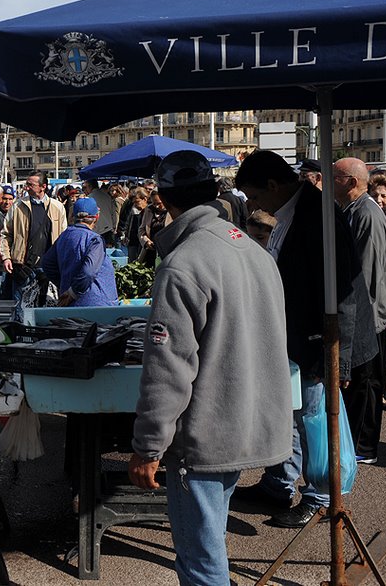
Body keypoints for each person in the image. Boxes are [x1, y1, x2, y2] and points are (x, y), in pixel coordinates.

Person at [128, 151, 292, 585]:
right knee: (211, 543)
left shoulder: (184, 263)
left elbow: (168, 368)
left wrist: (148, 447)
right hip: (249, 423)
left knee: (201, 560)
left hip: (206, 437)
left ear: (163, 200)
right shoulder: (253, 249)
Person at [233, 151, 377, 528]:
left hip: (320, 339)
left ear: (273, 185)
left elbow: (341, 295)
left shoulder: (319, 215)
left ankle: (319, 495)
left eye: (256, 197)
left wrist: (338, 360)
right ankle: (277, 483)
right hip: (296, 334)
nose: (255, 205)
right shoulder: (292, 210)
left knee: (313, 416)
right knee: (289, 412)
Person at [333, 158, 386, 464]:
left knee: (367, 383)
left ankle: (364, 447)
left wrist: (359, 319)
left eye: (335, 177)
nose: (329, 183)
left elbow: (365, 272)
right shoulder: (355, 210)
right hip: (363, 313)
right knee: (360, 384)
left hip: (368, 315)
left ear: (350, 181)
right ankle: (358, 443)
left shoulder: (366, 213)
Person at [0, 172, 68, 319]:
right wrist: (6, 258)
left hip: (49, 268)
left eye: (31, 184)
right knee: (20, 307)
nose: (26, 187)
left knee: (48, 305)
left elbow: (64, 237)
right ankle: (20, 334)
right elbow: (5, 234)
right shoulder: (18, 206)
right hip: (23, 266)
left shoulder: (57, 207)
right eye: (27, 184)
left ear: (43, 187)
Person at [41, 197, 119, 307]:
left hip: (72, 305)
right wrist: (72, 292)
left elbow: (47, 264)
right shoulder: (94, 240)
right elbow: (89, 272)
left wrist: (65, 284)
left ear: (73, 216)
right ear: (96, 217)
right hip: (96, 305)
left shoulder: (64, 235)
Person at [137, 190, 170, 265]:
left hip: (166, 250)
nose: (156, 206)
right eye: (154, 203)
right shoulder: (148, 210)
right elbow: (141, 229)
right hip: (150, 251)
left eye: (159, 203)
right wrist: (146, 241)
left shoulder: (172, 211)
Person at [117, 186, 149, 261]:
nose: (135, 205)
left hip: (145, 245)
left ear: (145, 199)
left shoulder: (150, 212)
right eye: (134, 202)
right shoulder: (134, 211)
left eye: (137, 202)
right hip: (133, 243)